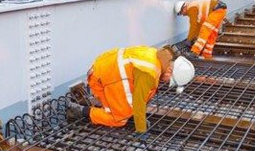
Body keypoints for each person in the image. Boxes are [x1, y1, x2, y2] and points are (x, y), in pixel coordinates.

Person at [67, 45, 195, 137]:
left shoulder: (158, 56)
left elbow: (141, 94)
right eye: (169, 80)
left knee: (146, 93)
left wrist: (137, 117)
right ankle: (79, 111)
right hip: (101, 79)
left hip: (104, 71)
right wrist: (141, 129)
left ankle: (92, 105)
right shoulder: (149, 73)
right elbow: (139, 101)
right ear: (170, 71)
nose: (167, 82)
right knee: (119, 119)